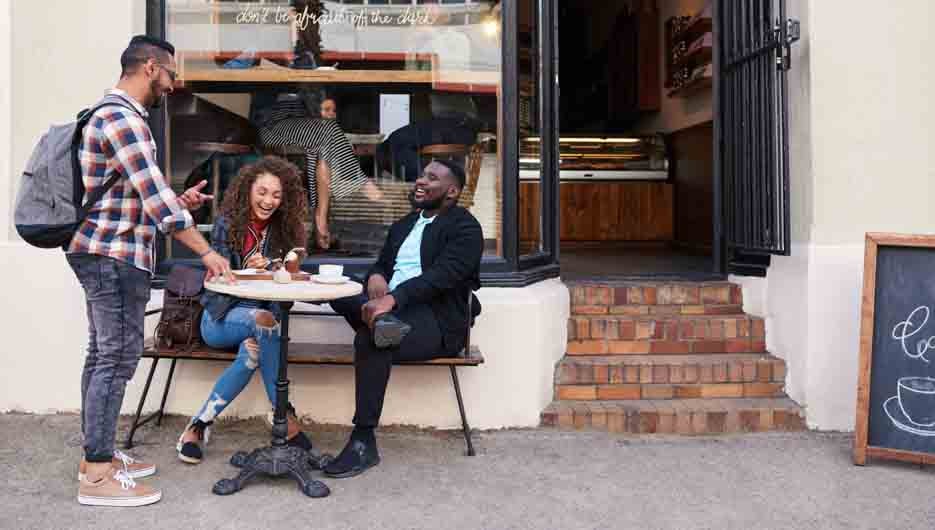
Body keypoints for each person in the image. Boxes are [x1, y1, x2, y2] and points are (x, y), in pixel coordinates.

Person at [67, 35, 233, 507]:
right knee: (115, 360)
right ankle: (96, 477)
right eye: (171, 73)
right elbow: (158, 207)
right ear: (147, 67)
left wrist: (179, 203)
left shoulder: (115, 116)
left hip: (108, 250)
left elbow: (136, 199)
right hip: (113, 257)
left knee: (103, 355)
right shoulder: (122, 119)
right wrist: (205, 251)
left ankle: (94, 456)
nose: (174, 84)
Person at [324, 159, 483, 478]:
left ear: (451, 191)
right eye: (421, 173)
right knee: (336, 288)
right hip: (391, 309)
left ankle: (362, 441)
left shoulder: (465, 228)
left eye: (432, 178)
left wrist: (393, 298)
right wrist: (376, 279)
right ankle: (382, 324)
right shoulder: (404, 225)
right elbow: (381, 264)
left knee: (371, 339)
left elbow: (442, 276)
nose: (420, 181)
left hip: (435, 321)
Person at [176, 156, 329, 469]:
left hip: (263, 322)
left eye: (276, 195)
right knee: (266, 323)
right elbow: (218, 277)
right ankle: (285, 417)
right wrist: (244, 269)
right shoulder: (227, 223)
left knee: (253, 351)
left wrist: (279, 266)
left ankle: (198, 426)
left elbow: (293, 270)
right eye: (262, 192)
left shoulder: (285, 229)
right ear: (248, 190)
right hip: (220, 319)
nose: (268, 201)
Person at [252, 88, 381, 250]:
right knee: (328, 132)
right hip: (271, 122)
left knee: (325, 141)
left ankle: (322, 214)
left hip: (305, 124)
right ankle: (333, 208)